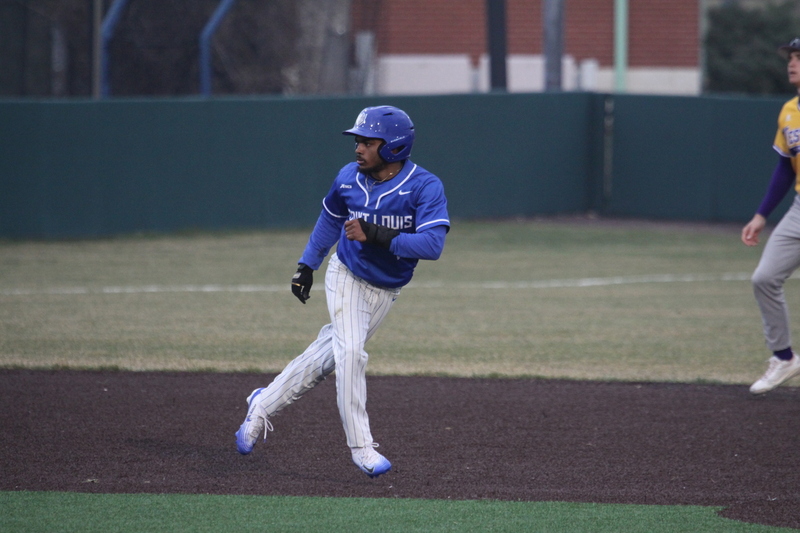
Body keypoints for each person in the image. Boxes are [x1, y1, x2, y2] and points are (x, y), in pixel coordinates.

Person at [235, 105, 450, 477]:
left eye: (368, 142)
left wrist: (376, 234)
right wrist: (307, 265)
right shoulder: (348, 178)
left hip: (387, 290)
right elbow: (329, 220)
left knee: (326, 359)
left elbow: (432, 245)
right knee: (351, 352)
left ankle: (263, 403)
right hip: (346, 274)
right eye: (357, 141)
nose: (358, 148)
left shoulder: (424, 186)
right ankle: (361, 447)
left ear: (394, 148)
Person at [742, 38, 800, 395]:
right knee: (764, 278)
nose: (792, 63)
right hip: (798, 210)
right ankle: (784, 358)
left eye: (799, 58)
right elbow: (785, 167)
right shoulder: (789, 111)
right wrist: (762, 214)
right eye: (791, 58)